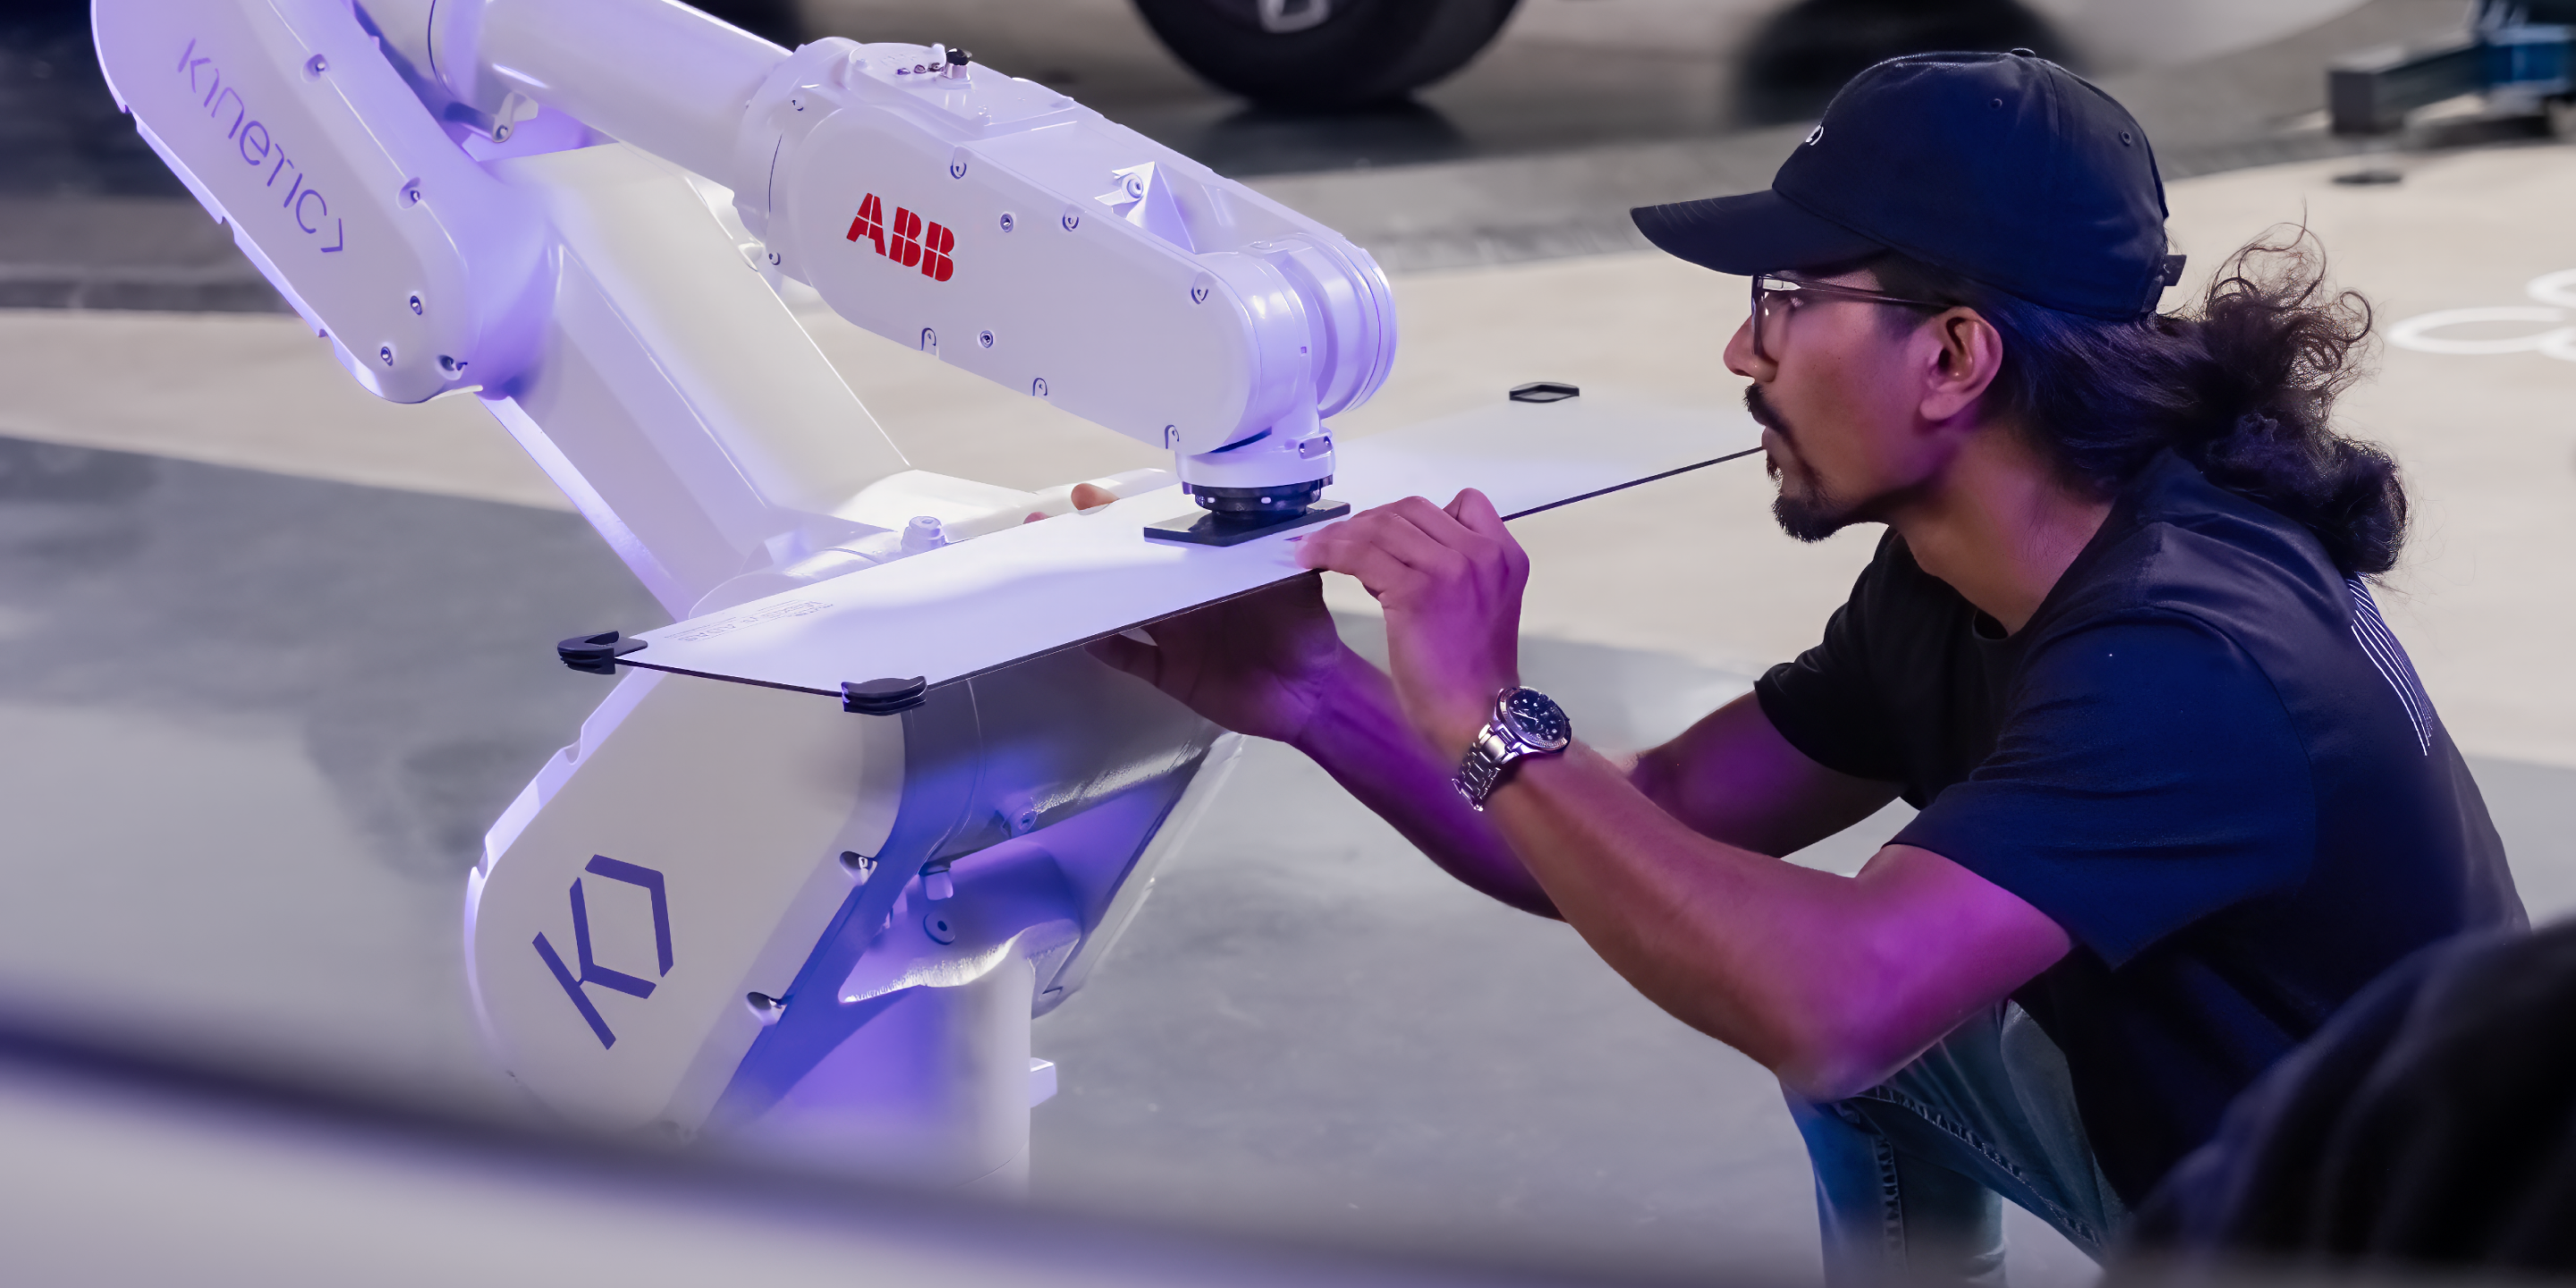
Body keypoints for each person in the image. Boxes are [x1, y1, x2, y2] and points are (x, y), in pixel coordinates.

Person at [1090, 51, 2523, 1284]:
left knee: (1847, 987)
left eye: (1784, 298)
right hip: (2224, 1167)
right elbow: (1643, 829)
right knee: (1822, 975)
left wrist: (1491, 713)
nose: (1740, 345)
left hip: (2375, 1248)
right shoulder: (1973, 561)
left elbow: (1831, 1002)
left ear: (1954, 355)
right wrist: (1313, 693)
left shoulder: (2187, 657)